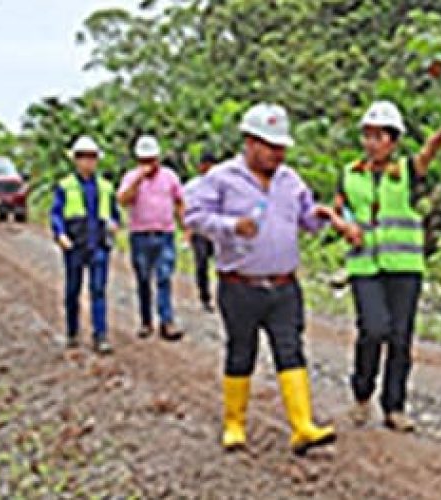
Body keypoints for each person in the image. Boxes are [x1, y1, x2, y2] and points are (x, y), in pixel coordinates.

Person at [184, 103, 352, 455]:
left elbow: (306, 217)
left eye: (281, 147)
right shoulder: (221, 178)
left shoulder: (290, 181)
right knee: (241, 351)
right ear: (250, 142)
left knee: (290, 349)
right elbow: (194, 216)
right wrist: (231, 227)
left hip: (284, 285)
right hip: (239, 285)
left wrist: (322, 216)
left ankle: (303, 425)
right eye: (271, 146)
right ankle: (234, 424)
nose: (278, 153)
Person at [337, 101, 441, 432]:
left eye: (379, 136)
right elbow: (339, 209)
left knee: (400, 337)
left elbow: (428, 153)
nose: (371, 143)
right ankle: (362, 392)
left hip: (404, 265)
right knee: (373, 329)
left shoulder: (405, 172)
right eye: (367, 136)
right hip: (365, 265)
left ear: (393, 141)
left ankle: (394, 406)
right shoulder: (351, 174)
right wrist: (345, 226)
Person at [50, 136, 120, 355]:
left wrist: (115, 225)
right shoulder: (65, 186)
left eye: (92, 158)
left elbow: (115, 215)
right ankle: (72, 332)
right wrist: (60, 234)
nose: (88, 162)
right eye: (83, 158)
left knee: (98, 291)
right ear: (76, 160)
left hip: (99, 245)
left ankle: (100, 336)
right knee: (73, 290)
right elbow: (56, 214)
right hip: (75, 246)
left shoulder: (106, 187)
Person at [117, 135, 186, 341]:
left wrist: (186, 226)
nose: (148, 165)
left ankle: (167, 321)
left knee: (164, 277)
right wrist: (138, 179)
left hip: (164, 234)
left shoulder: (170, 177)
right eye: (144, 160)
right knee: (144, 279)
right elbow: (122, 199)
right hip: (140, 235)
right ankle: (146, 321)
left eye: (151, 160)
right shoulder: (131, 177)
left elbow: (180, 201)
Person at [184, 150, 219, 312]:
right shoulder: (193, 186)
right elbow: (185, 208)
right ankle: (205, 296)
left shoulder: (224, 185)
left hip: (219, 231)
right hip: (199, 231)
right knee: (202, 263)